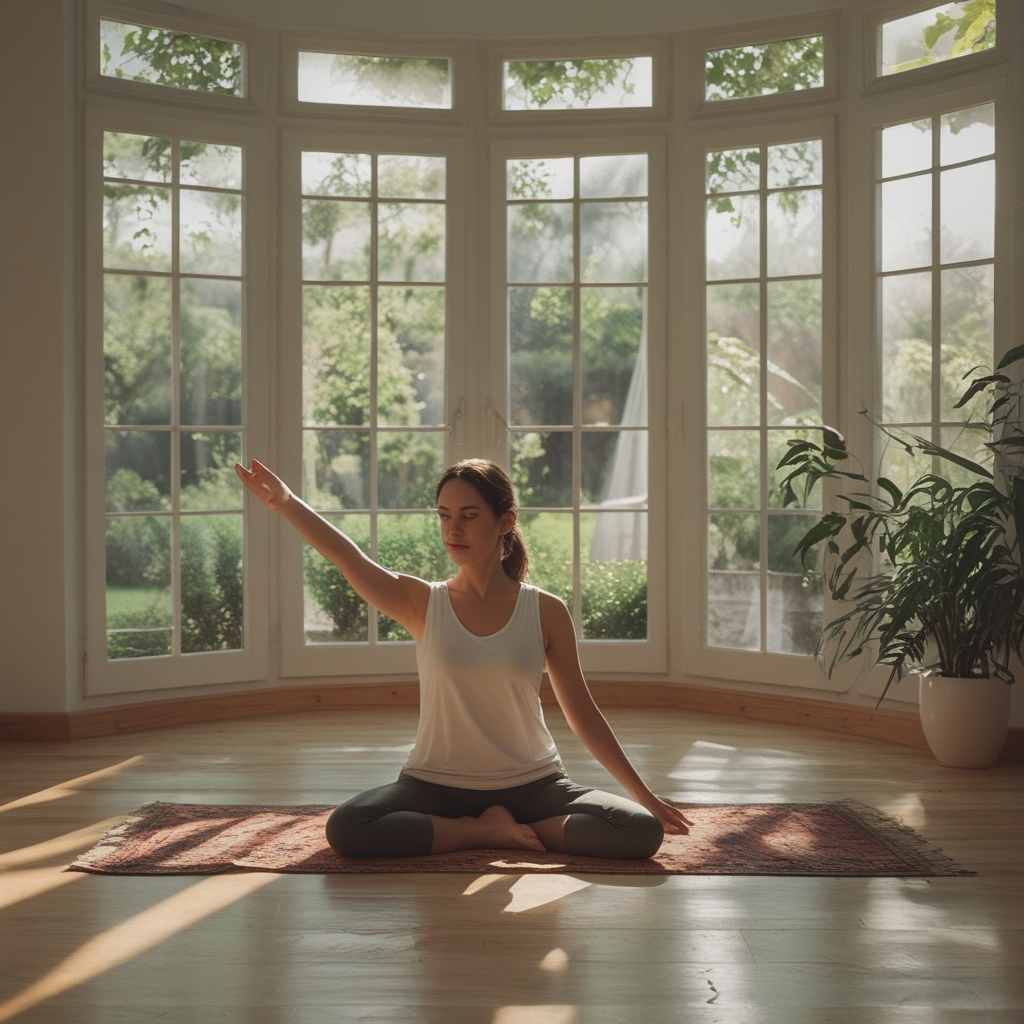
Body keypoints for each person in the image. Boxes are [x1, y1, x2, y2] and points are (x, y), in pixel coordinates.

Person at [235, 457, 693, 859]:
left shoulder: (545, 610)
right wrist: (287, 502)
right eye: (445, 515)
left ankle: (510, 831)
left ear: (504, 521)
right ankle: (481, 833)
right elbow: (347, 557)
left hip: (533, 784)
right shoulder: (422, 602)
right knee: (348, 827)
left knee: (639, 831)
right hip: (435, 784)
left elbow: (583, 714)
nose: (453, 530)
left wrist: (644, 794)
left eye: (469, 516)